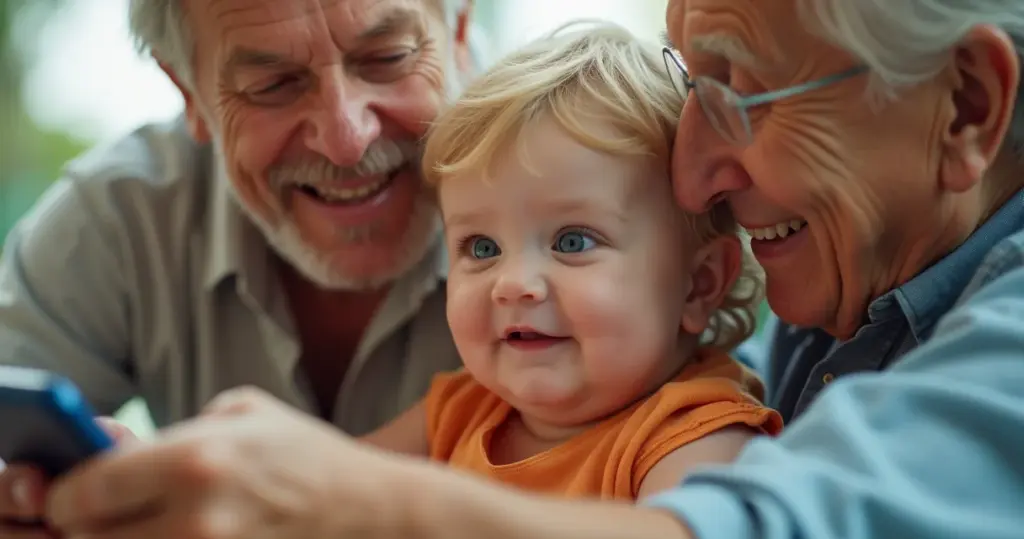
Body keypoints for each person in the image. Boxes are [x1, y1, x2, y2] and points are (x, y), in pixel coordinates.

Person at [37, 1, 1024, 538]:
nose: (696, 173)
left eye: (745, 90)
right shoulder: (843, 271)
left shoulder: (697, 424)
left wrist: (351, 505)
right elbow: (306, 471)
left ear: (970, 106)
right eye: (479, 247)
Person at [0, 0, 483, 536]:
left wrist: (359, 506)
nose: (347, 141)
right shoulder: (118, 220)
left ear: (459, 30)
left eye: (388, 57)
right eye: (273, 84)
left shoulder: (581, 154)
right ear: (187, 90)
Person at [358, 23, 782, 500]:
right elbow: (314, 487)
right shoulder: (461, 408)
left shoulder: (697, 435)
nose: (513, 284)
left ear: (698, 285)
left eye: (573, 241)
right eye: (482, 248)